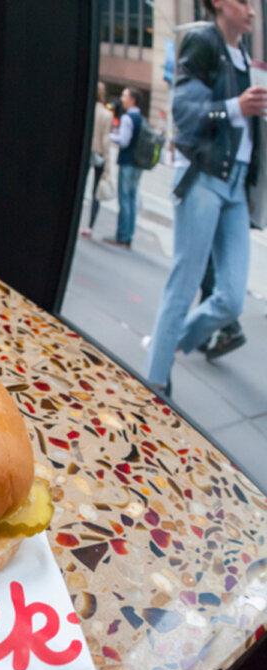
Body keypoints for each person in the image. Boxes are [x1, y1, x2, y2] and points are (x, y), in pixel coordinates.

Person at [144, 0, 265, 396]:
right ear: (218, 3)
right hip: (203, 178)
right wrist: (235, 107)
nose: (251, 10)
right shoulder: (202, 40)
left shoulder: (243, 56)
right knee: (184, 283)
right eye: (243, 1)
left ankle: (170, 344)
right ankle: (155, 384)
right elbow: (184, 110)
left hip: (234, 184)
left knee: (230, 298)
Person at [107, 87, 144, 248]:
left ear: (132, 100)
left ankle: (121, 236)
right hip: (138, 163)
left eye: (124, 96)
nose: (122, 98)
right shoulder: (141, 118)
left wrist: (109, 136)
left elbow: (124, 141)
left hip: (128, 161)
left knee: (125, 199)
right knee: (132, 198)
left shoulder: (128, 118)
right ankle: (128, 236)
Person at [81, 82, 114, 239]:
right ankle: (90, 226)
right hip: (99, 153)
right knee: (96, 191)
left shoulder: (87, 108)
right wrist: (108, 162)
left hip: (85, 152)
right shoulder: (106, 114)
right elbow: (106, 140)